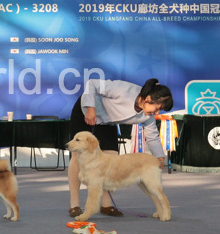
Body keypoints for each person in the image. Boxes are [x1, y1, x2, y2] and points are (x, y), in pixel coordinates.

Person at [67, 77, 174, 218]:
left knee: (112, 157)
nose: (157, 113)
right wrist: (91, 109)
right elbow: (92, 84)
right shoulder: (124, 89)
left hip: (107, 121)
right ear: (148, 99)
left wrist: (159, 157)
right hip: (86, 112)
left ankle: (106, 204)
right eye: (158, 108)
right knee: (77, 156)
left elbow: (152, 136)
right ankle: (74, 205)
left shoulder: (148, 116)